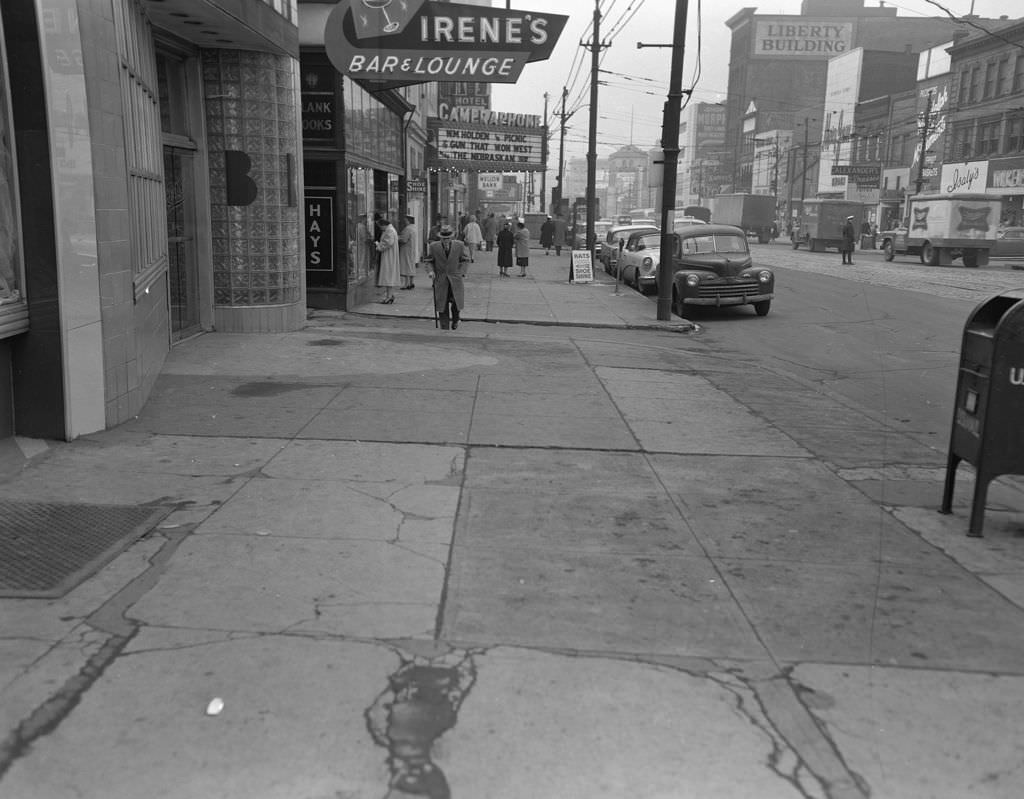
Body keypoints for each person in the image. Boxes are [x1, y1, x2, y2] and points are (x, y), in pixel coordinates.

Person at [424, 224, 470, 330]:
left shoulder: (459, 245)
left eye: (448, 238)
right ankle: (444, 328)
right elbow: (428, 261)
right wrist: (430, 271)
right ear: (440, 237)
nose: (446, 240)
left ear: (452, 237)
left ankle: (455, 319)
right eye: (444, 238)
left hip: (455, 279)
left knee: (456, 303)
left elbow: (465, 260)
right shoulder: (434, 246)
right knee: (442, 304)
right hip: (441, 279)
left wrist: (462, 272)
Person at [375, 216, 400, 303]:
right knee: (389, 276)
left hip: (389, 256)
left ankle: (389, 296)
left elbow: (388, 242)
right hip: (390, 255)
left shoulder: (389, 231)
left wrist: (379, 246)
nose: (380, 228)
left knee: (388, 276)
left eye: (380, 226)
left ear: (384, 225)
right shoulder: (390, 230)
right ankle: (390, 295)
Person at [398, 215, 418, 290]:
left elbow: (404, 240)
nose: (404, 222)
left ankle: (406, 284)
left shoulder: (408, 229)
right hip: (411, 249)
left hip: (406, 250)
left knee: (406, 266)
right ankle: (411, 282)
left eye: (405, 220)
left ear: (408, 221)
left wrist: (397, 238)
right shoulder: (414, 228)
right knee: (411, 265)